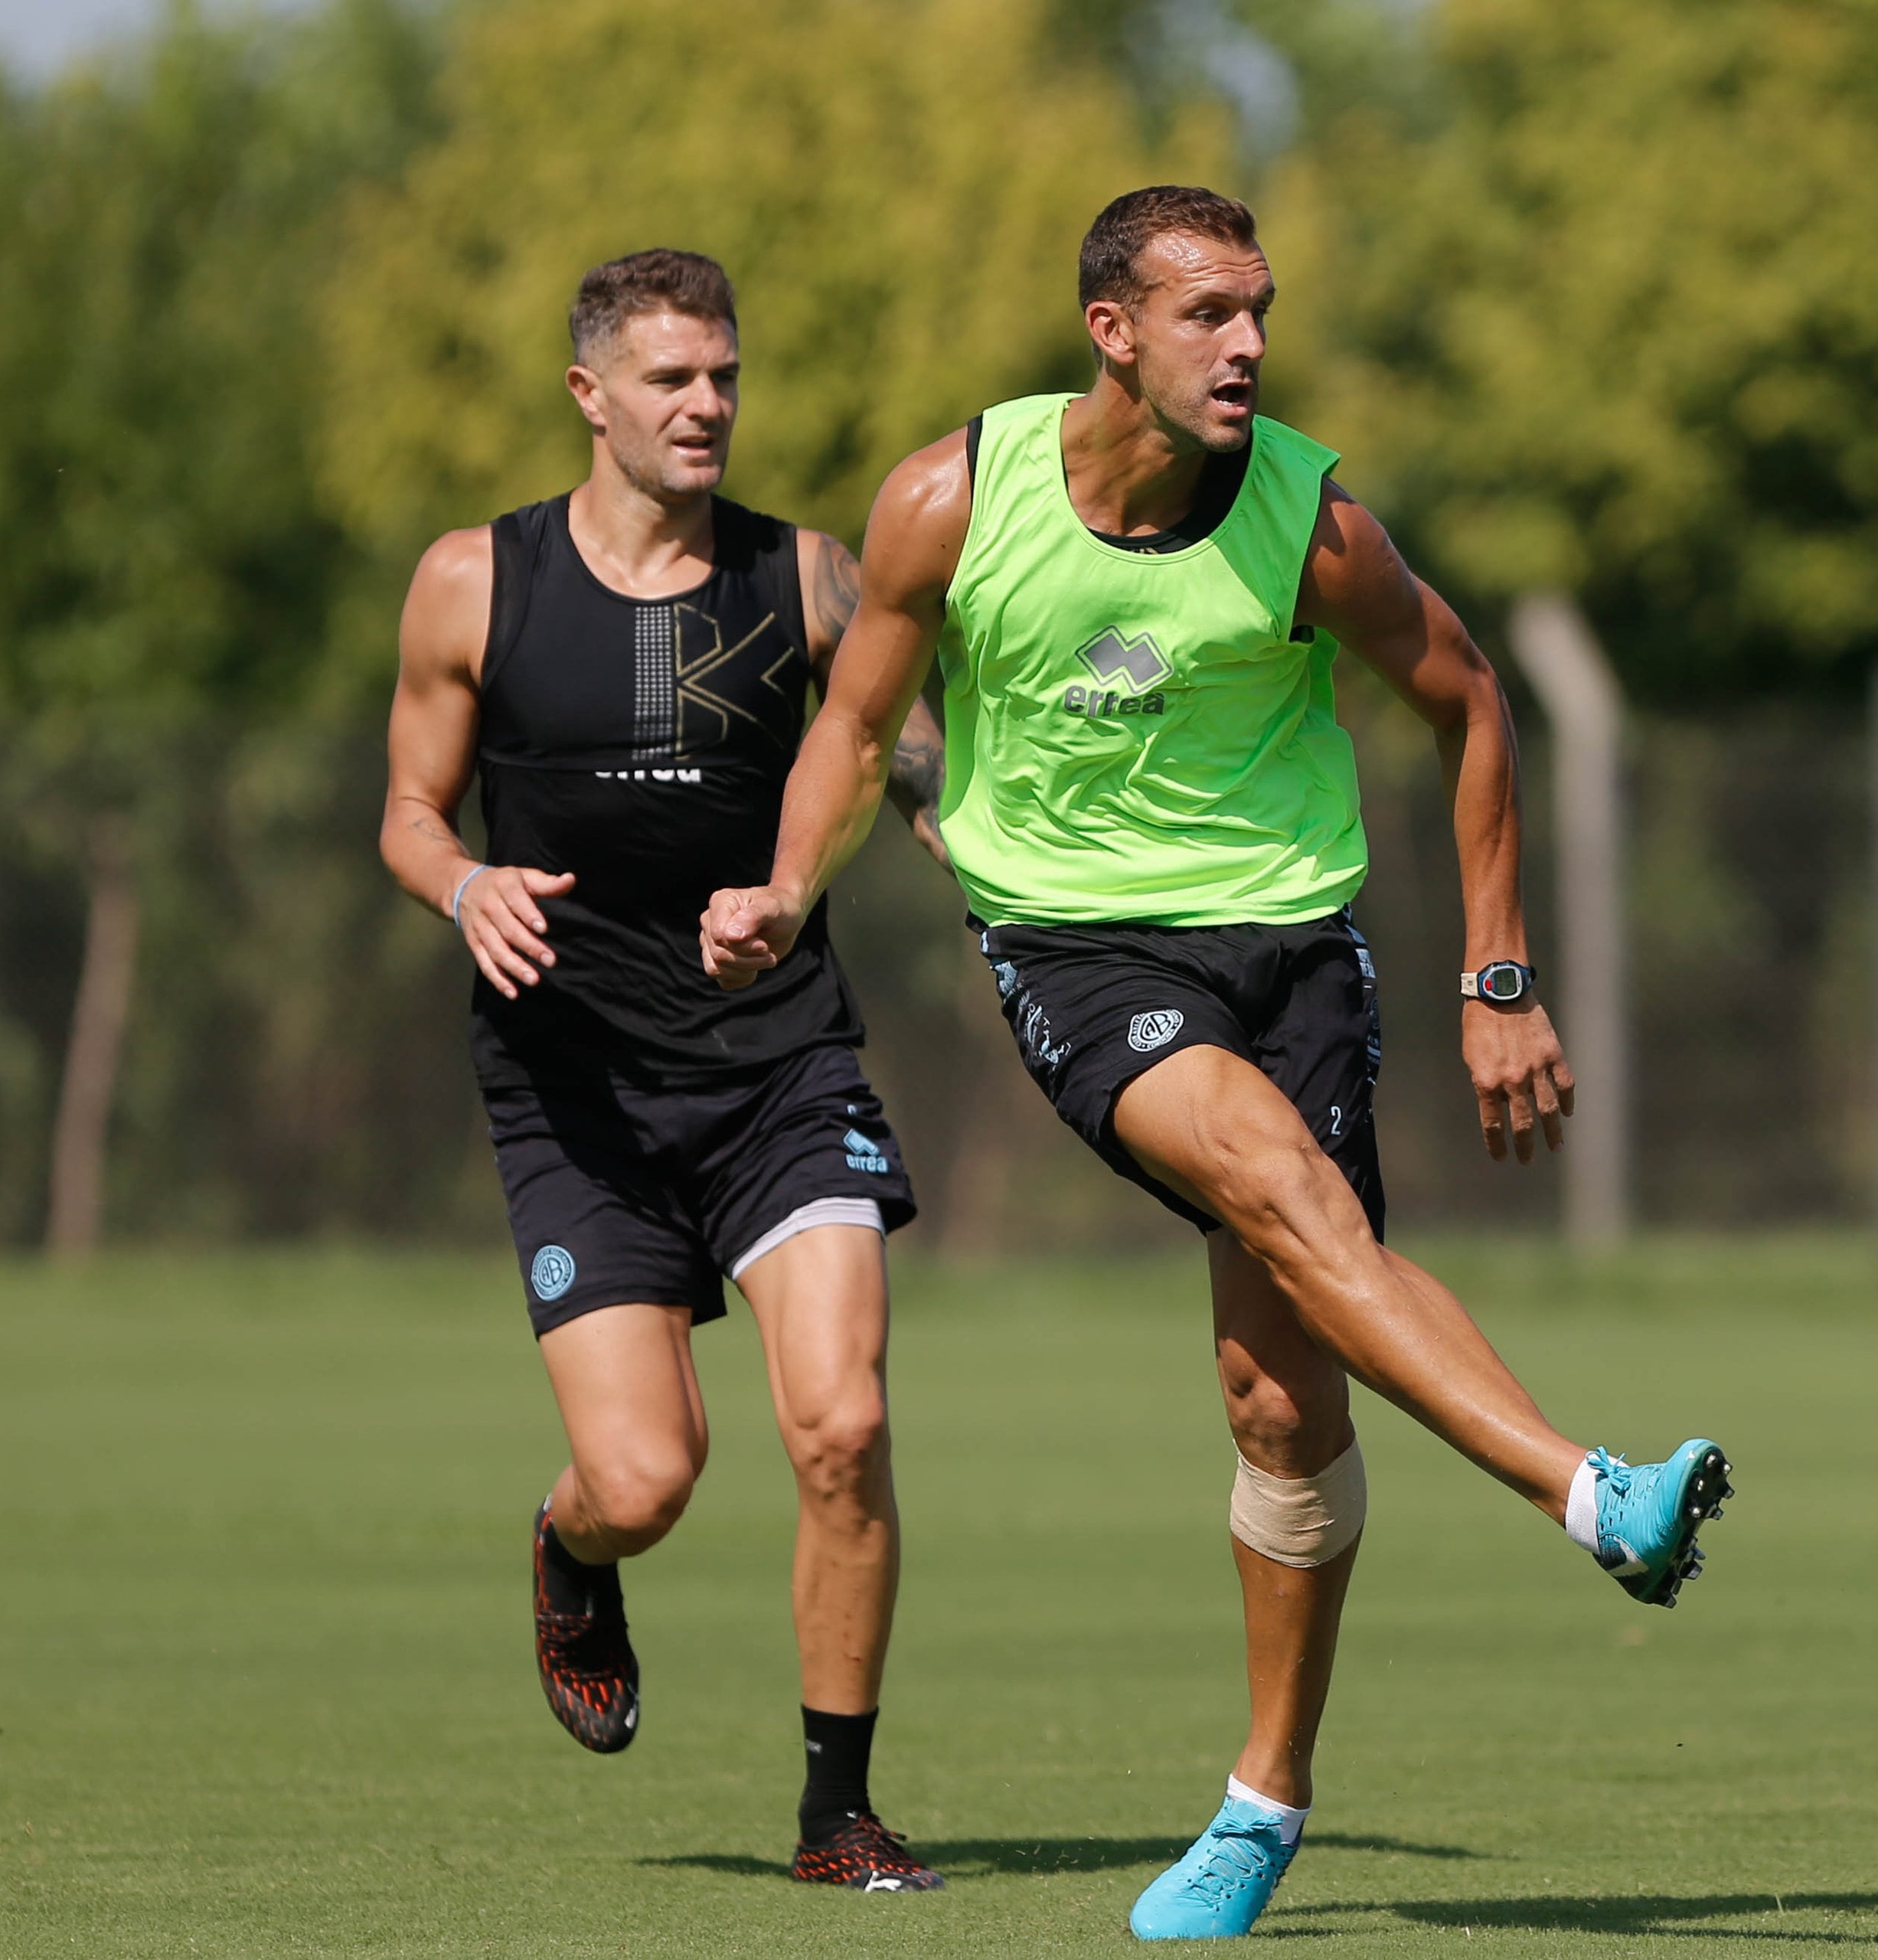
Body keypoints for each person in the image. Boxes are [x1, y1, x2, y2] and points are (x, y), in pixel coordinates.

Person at [701, 185, 1736, 1940]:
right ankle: (1591, 1491)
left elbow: (1471, 698)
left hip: (1295, 939)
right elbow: (858, 727)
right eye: (1208, 316)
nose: (1249, 344)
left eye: (1259, 311)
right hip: (1082, 950)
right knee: (1281, 1183)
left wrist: (1499, 971)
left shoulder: (1312, 524)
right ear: (1113, 333)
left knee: (1284, 1401)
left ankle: (1263, 1800)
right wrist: (788, 882)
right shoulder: (953, 497)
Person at [378, 250, 953, 1893]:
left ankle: (835, 1813)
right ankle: (570, 1545)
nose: (706, 406)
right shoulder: (471, 582)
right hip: (576, 1093)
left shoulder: (809, 577)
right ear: (590, 396)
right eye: (671, 380)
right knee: (649, 1473)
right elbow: (409, 809)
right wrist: (464, 882)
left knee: (840, 1422)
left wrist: (865, 848)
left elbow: (896, 750)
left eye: (724, 377)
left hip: (777, 1067)